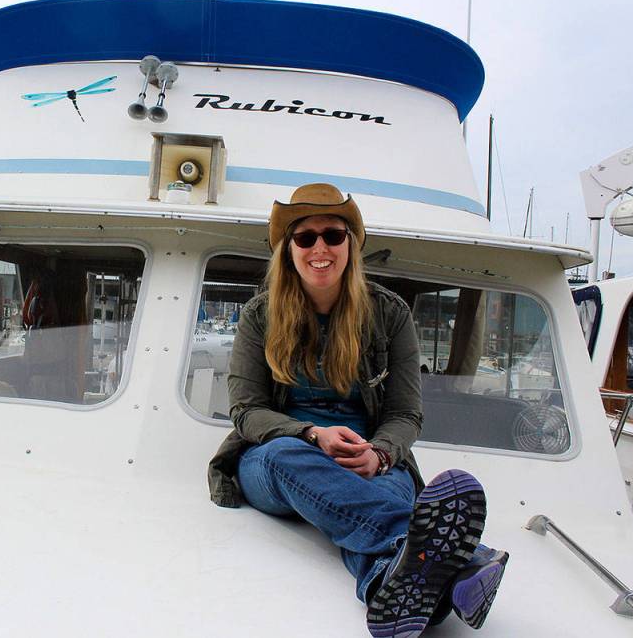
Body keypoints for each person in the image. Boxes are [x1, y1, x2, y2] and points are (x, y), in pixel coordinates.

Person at [207, 183, 509, 637]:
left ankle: (389, 578)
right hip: (278, 458)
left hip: (368, 456)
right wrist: (312, 434)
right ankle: (459, 562)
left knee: (387, 486)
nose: (320, 248)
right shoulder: (259, 316)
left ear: (351, 243)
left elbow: (406, 414)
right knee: (284, 456)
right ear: (288, 249)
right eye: (305, 238)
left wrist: (382, 455)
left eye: (333, 234)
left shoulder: (390, 315)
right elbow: (247, 412)